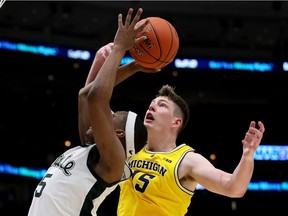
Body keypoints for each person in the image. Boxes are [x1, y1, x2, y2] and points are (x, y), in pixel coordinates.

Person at [28, 8, 159, 216]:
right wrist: (134, 66)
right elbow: (85, 95)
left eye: (112, 116)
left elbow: (96, 98)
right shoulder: (91, 148)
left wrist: (119, 49)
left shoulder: (114, 163)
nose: (106, 113)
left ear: (118, 135)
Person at [117, 84, 265, 216]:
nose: (151, 107)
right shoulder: (131, 148)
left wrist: (247, 156)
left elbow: (233, 188)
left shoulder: (187, 160)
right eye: (151, 105)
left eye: (161, 105)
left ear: (176, 121)